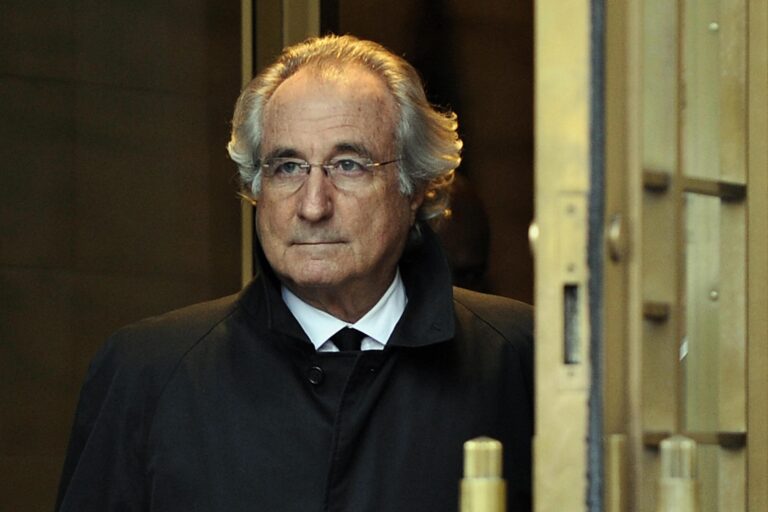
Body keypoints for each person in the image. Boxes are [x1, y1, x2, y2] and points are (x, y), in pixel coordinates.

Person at [56, 35, 533, 511]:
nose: (313, 206)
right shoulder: (147, 374)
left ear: (416, 188)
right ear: (256, 187)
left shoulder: (521, 358)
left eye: (348, 165)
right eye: (287, 167)